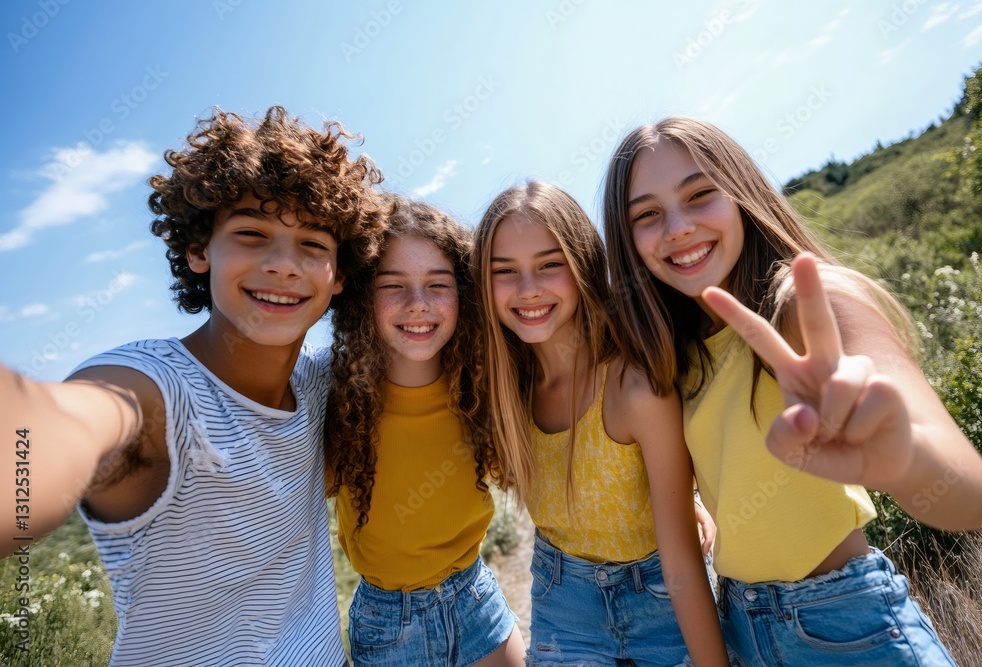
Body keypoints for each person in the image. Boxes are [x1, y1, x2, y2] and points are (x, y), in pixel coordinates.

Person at [601, 116, 982, 665]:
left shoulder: (806, 306)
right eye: (647, 215)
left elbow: (972, 498)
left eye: (700, 195)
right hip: (740, 628)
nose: (677, 227)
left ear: (741, 194)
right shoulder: (678, 356)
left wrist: (901, 457)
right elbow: (684, 558)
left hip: (846, 626)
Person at [1, 106, 390, 666]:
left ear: (340, 276)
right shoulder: (159, 390)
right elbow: (68, 423)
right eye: (252, 234)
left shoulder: (322, 381)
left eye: (314, 244)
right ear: (198, 251)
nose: (284, 264)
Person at [472, 181, 730, 667]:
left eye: (550, 264)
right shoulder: (504, 390)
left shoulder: (633, 387)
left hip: (662, 595)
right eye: (504, 271)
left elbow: (681, 562)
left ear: (584, 264)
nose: (528, 289)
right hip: (563, 598)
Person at [324, 196, 525, 667]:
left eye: (438, 284)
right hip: (389, 621)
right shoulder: (337, 400)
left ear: (465, 296)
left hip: (475, 597)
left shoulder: (485, 388)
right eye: (392, 286)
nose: (418, 305)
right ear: (361, 298)